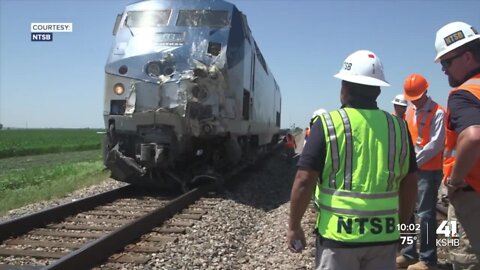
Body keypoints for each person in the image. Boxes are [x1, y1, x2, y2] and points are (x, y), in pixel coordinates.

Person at [287, 50, 418, 270]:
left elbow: (303, 180)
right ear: (378, 90)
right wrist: (403, 229)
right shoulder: (399, 127)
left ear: (344, 88)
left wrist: (294, 226)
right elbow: (410, 184)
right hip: (384, 236)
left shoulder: (328, 123)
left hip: (338, 239)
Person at [434, 21, 480, 270]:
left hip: (472, 194)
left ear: (468, 56)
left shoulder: (465, 93)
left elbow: (473, 136)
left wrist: (455, 180)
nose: (443, 70)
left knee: (466, 260)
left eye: (446, 63)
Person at [396, 73, 446, 270]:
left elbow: (436, 143)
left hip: (427, 170)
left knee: (425, 214)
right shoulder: (410, 111)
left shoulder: (438, 112)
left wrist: (413, 162)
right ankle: (408, 253)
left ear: (425, 91)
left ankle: (427, 259)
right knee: (407, 212)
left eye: (416, 96)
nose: (414, 100)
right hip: (410, 169)